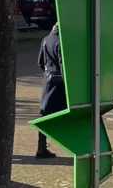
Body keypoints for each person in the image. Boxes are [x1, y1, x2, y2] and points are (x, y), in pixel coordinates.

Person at [36, 24, 63, 159]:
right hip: (60, 84)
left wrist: (49, 73)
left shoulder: (45, 39)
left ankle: (41, 147)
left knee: (45, 114)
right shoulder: (61, 42)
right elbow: (63, 64)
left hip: (48, 81)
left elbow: (40, 62)